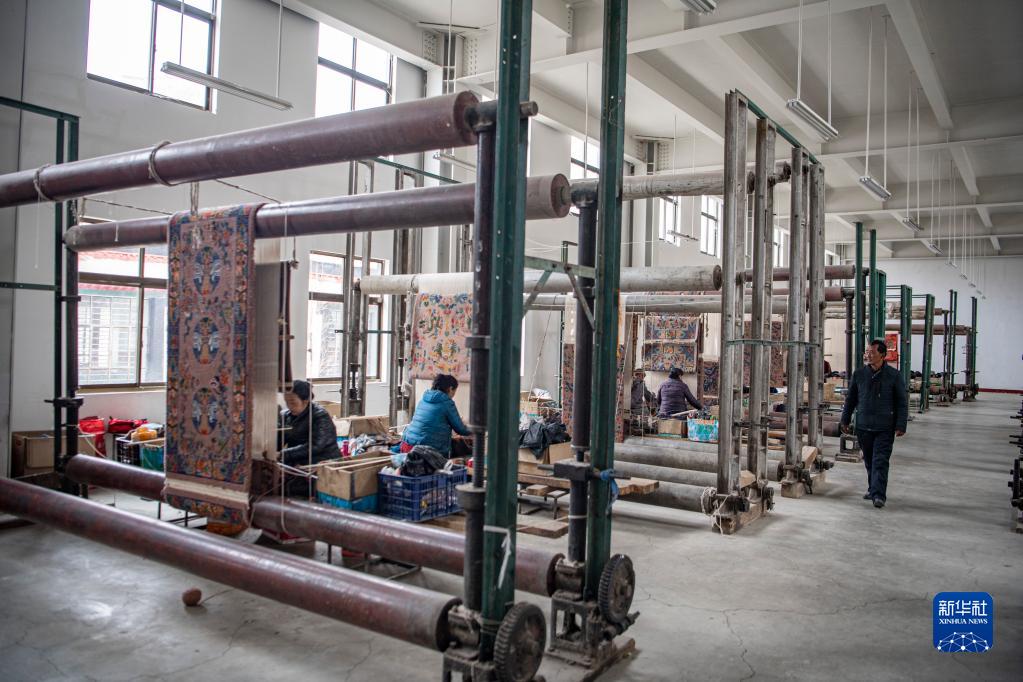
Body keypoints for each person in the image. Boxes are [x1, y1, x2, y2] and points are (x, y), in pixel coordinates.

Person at [840, 338, 908, 509]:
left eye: (872, 352)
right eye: (867, 352)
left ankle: (879, 495)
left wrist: (901, 425)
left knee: (880, 460)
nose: (868, 355)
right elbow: (851, 399)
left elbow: (901, 402)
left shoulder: (894, 376)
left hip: (885, 426)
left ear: (882, 355)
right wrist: (845, 419)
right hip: (863, 425)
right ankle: (873, 489)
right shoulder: (859, 374)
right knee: (869, 460)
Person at [279, 379, 339, 497]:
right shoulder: (286, 416)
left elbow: (316, 446)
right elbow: (280, 439)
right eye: (286, 402)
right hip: (297, 460)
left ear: (305, 401)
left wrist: (284, 454)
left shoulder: (320, 416)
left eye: (293, 402)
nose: (289, 406)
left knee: (294, 489)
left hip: (320, 462)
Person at [401, 374, 471, 457]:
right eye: (454, 391)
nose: (453, 395)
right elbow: (461, 430)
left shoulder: (424, 399)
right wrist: (476, 429)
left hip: (407, 445)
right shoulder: (447, 403)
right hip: (425, 451)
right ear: (450, 388)